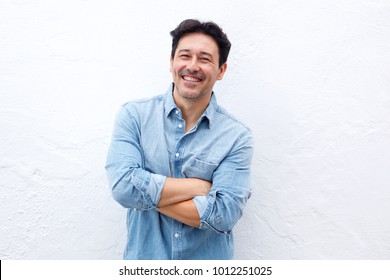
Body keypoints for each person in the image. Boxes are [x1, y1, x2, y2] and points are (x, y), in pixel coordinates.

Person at [105, 19, 253, 260]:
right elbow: (123, 188)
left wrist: (144, 196)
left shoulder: (237, 137)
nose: (192, 66)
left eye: (205, 59)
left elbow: (224, 214)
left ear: (221, 71)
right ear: (172, 62)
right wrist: (196, 188)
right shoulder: (134, 117)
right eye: (185, 56)